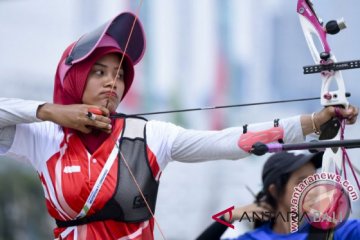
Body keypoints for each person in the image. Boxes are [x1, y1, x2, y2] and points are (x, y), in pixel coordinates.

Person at [0, 11, 358, 240]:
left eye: (120, 74)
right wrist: (50, 112)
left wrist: (313, 121)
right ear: (73, 76)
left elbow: (232, 140)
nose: (113, 82)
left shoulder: (149, 136)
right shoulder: (43, 136)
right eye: (99, 71)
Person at [196, 152, 360, 240]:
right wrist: (228, 216)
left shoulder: (338, 231)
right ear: (275, 191)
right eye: (301, 182)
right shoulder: (254, 238)